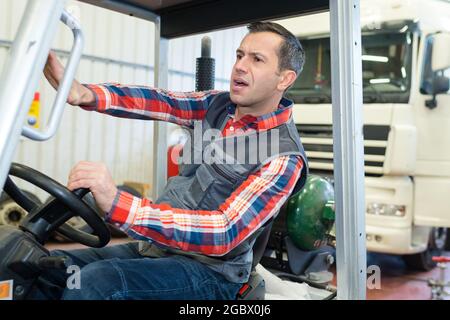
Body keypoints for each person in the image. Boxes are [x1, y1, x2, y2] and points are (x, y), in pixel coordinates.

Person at [30, 21, 308, 300]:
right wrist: (86, 94)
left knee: (96, 283)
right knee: (49, 268)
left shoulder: (283, 156)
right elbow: (161, 101)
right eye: (239, 55)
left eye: (256, 59)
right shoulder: (218, 106)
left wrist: (119, 204)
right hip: (159, 249)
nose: (240, 66)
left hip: (213, 273)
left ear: (284, 79)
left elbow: (225, 231)